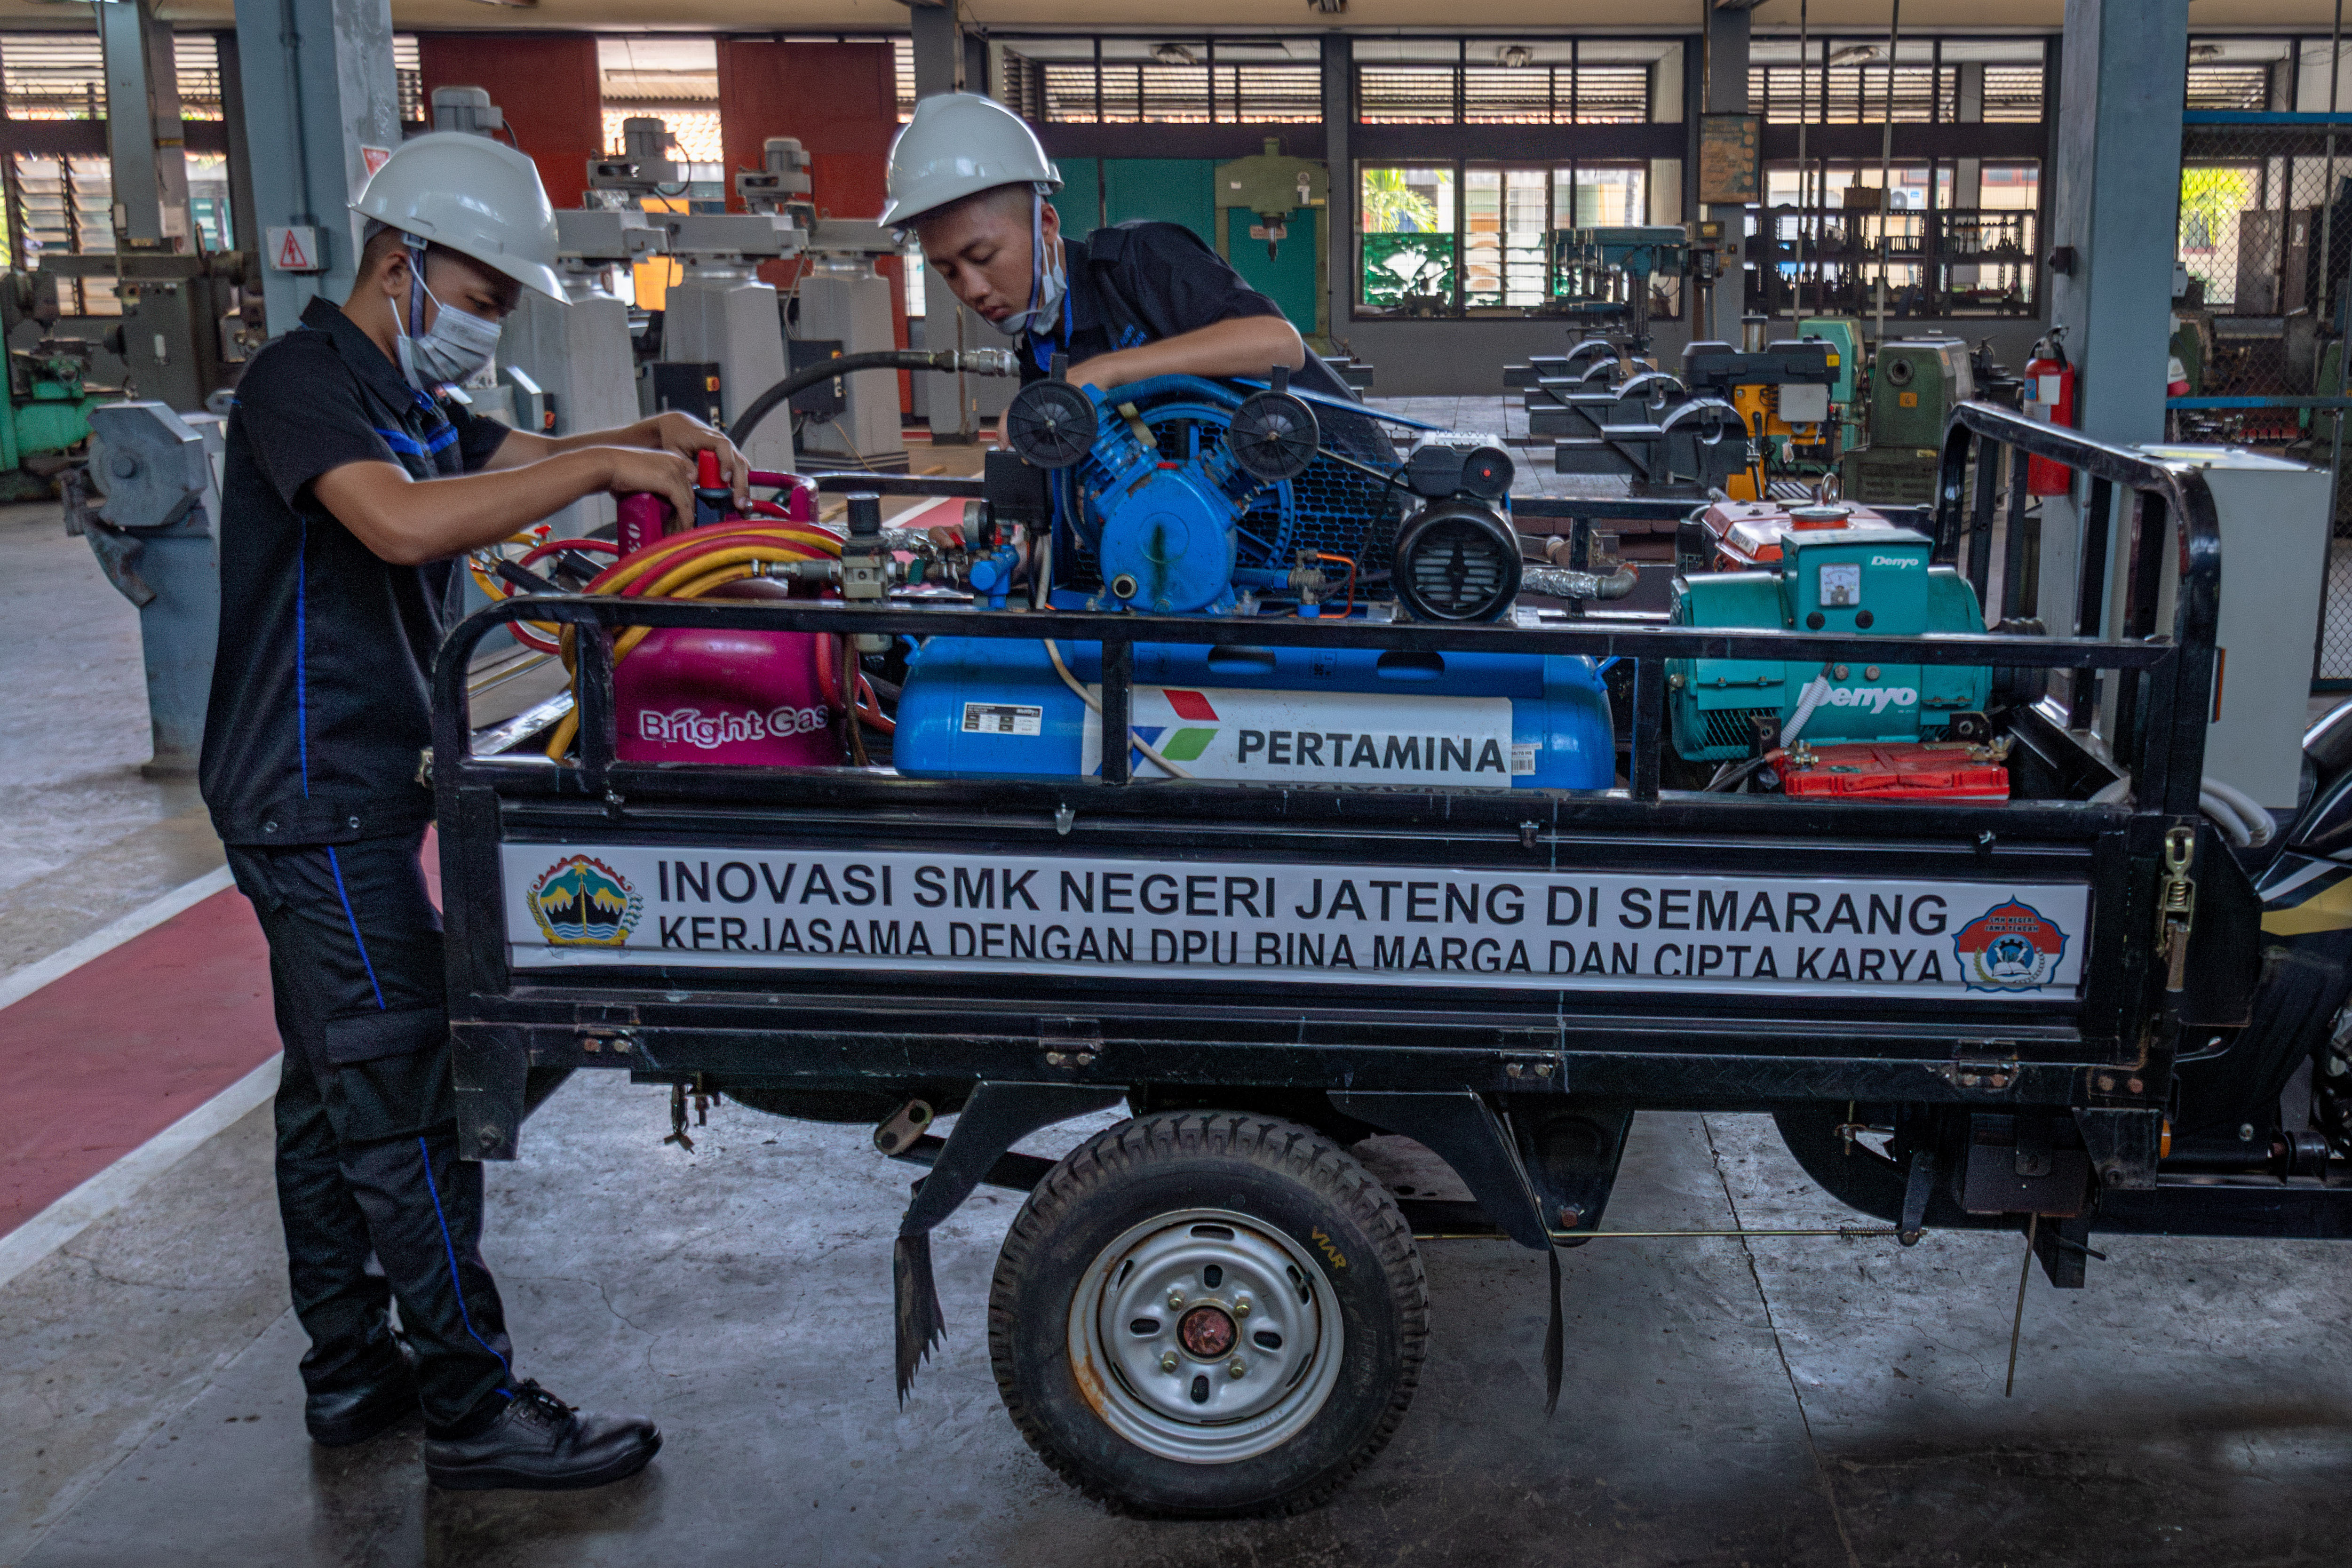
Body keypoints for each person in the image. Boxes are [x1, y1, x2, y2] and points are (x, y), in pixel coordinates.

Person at [202, 131, 744, 1490]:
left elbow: (516, 446)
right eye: (483, 296)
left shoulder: (400, 390)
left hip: (352, 787)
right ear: (401, 263)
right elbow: (395, 521)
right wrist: (594, 474)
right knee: (401, 1101)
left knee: (327, 1095)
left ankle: (350, 1371)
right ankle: (472, 1404)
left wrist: (646, 436)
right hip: (309, 795)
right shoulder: (301, 384)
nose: (484, 325)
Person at [881, 92, 1371, 418]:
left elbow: (1277, 343)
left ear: (1046, 225)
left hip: (1343, 502)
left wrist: (1107, 371)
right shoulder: (1041, 343)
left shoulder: (1138, 262)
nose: (972, 289)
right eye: (947, 272)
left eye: (983, 256)